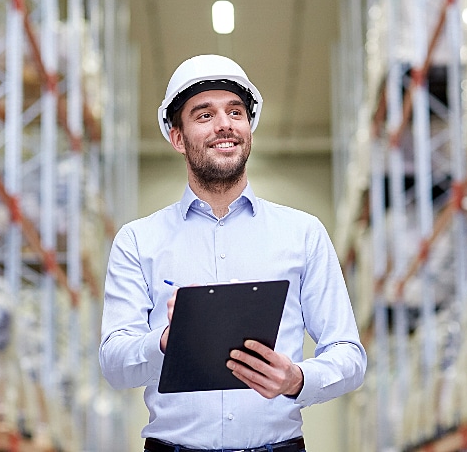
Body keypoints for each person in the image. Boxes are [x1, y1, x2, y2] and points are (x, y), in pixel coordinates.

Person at [99, 54, 366, 452]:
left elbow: (349, 354)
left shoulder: (303, 234)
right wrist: (168, 341)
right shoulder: (138, 241)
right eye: (204, 115)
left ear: (249, 129)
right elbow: (114, 365)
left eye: (235, 112)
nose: (225, 124)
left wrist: (296, 379)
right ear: (177, 137)